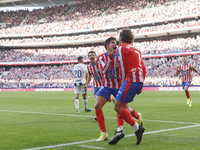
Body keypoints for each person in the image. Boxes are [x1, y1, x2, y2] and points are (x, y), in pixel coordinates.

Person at [95, 37, 143, 142]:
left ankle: (135, 117)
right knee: (97, 105)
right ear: (107, 46)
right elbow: (104, 71)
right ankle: (104, 133)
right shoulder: (101, 57)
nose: (115, 44)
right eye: (112, 43)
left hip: (120, 86)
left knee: (123, 109)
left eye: (116, 42)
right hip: (107, 86)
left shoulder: (121, 55)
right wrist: (110, 58)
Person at [108, 29, 146, 145]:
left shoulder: (121, 48)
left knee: (117, 106)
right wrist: (141, 84)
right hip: (138, 80)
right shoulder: (136, 50)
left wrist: (123, 82)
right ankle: (121, 130)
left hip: (130, 79)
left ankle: (137, 128)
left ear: (121, 38)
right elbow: (143, 67)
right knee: (123, 107)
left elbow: (123, 67)